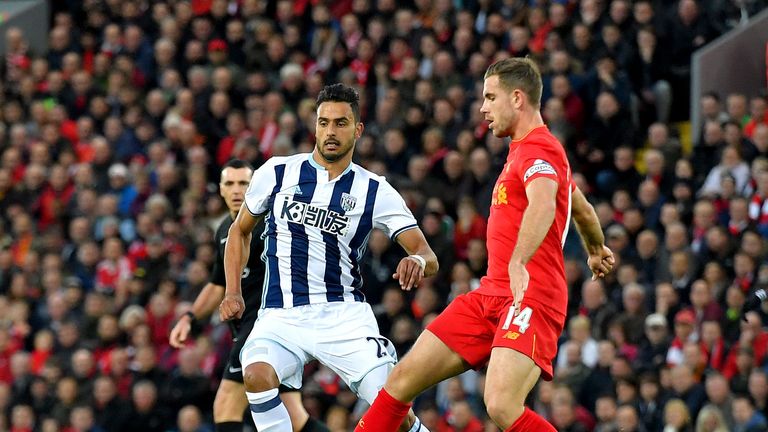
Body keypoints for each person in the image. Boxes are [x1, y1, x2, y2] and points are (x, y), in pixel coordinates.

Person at [354, 57, 614, 432]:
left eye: (491, 97)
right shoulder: (523, 151)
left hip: (529, 295)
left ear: (518, 98)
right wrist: (595, 248)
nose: (483, 108)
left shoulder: (541, 149)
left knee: (502, 404)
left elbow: (543, 202)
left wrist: (519, 261)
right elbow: (581, 208)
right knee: (399, 381)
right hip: (491, 294)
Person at [219, 83, 438, 432]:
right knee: (257, 374)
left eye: (340, 123)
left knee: (392, 407)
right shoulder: (277, 172)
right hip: (282, 315)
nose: (330, 132)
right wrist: (232, 291)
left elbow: (427, 253)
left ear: (358, 129)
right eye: (324, 123)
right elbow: (239, 231)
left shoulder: (374, 190)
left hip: (343, 317)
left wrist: (418, 262)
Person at [169, 159, 328, 432]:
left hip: (264, 327)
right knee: (294, 416)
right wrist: (190, 316)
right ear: (220, 189)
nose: (236, 190)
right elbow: (218, 283)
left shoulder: (272, 224)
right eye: (229, 183)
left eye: (243, 183)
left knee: (227, 404)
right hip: (260, 329)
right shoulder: (224, 231)